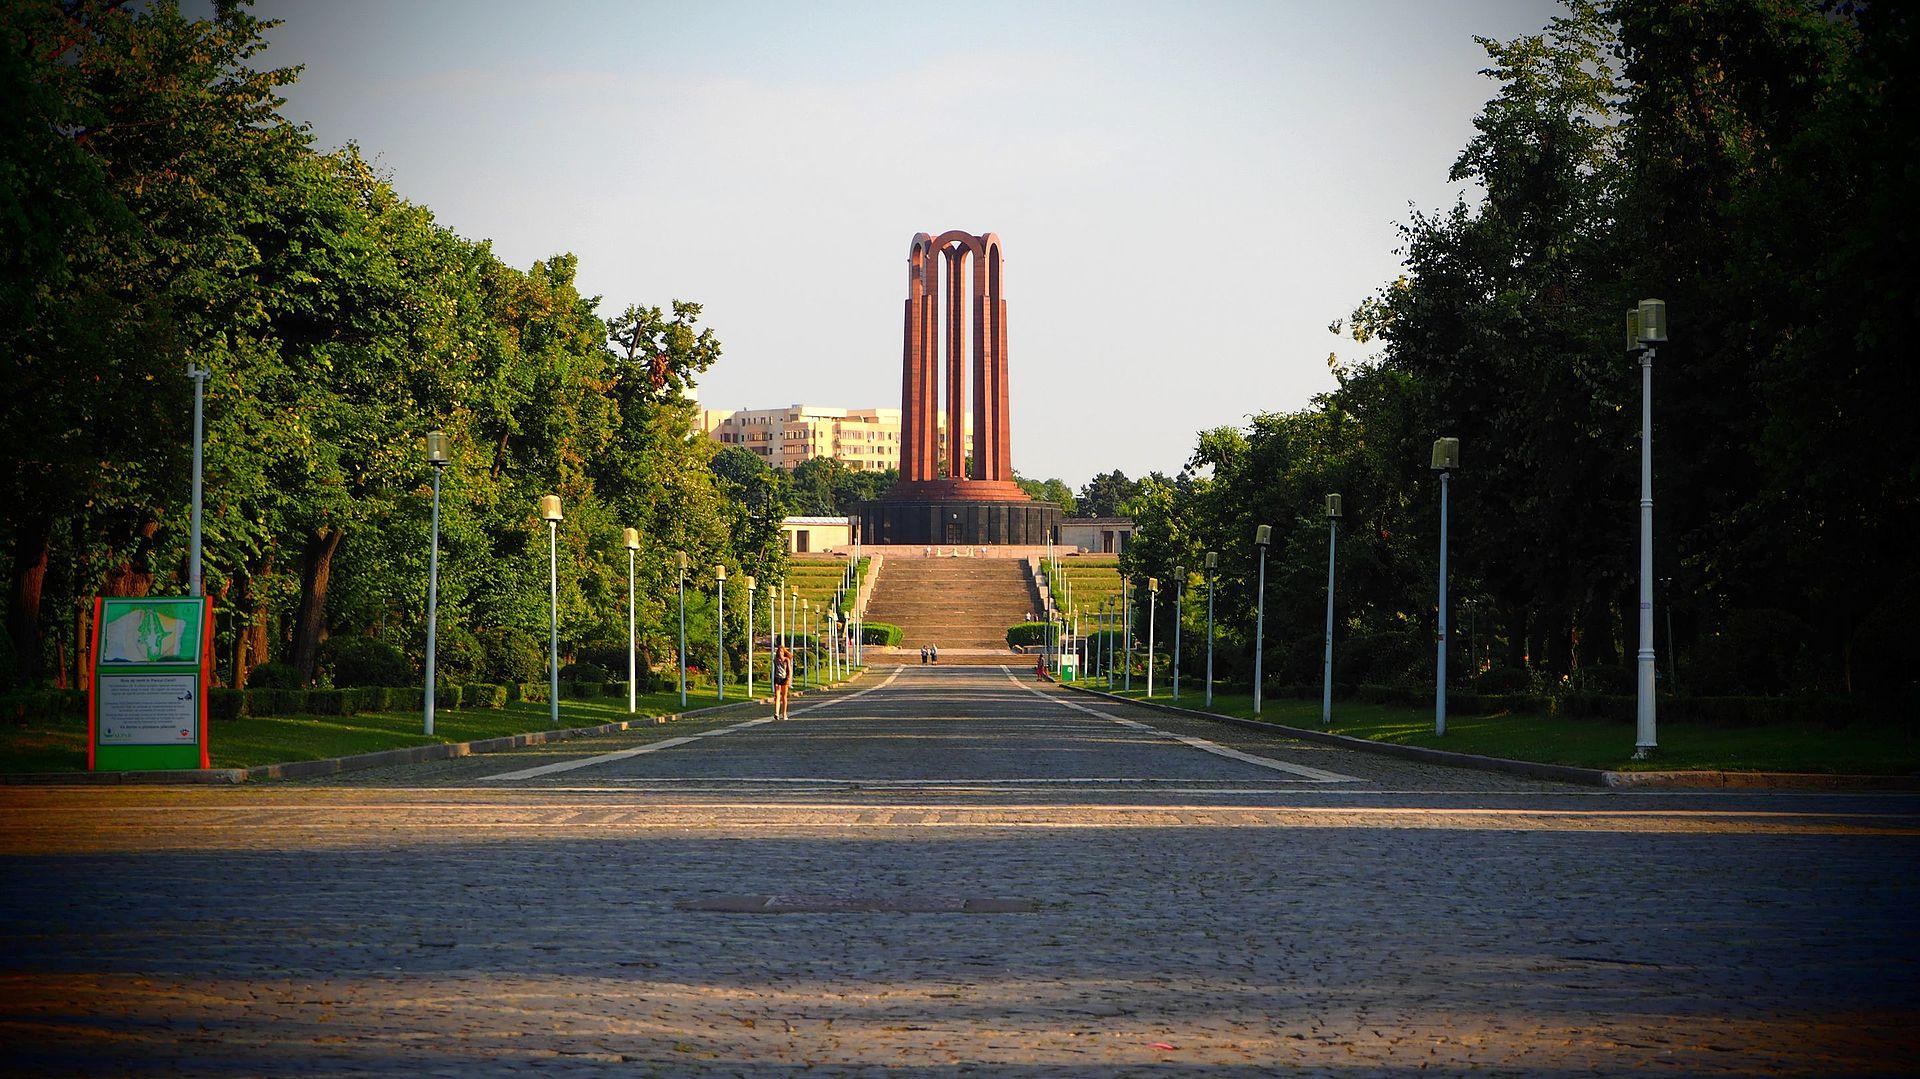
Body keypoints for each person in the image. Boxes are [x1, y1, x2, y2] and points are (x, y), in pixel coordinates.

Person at [771, 645, 793, 719]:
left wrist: (788, 679)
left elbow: (789, 670)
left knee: (784, 697)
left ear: (783, 652)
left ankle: (784, 713)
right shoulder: (776, 660)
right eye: (779, 651)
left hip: (784, 679)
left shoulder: (786, 660)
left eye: (781, 651)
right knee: (777, 696)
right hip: (777, 678)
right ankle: (776, 713)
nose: (780, 653)